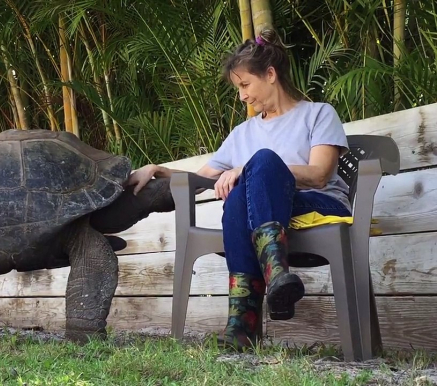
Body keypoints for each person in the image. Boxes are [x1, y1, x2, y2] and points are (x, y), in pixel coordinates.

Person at [125, 29, 352, 349]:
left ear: (270, 75)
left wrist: (246, 168)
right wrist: (158, 170)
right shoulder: (242, 133)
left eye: (245, 85)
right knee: (235, 199)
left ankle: (247, 316)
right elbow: (204, 179)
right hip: (267, 217)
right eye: (238, 88)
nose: (242, 96)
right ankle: (269, 289)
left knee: (259, 164)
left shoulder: (317, 114)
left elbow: (318, 175)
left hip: (320, 208)